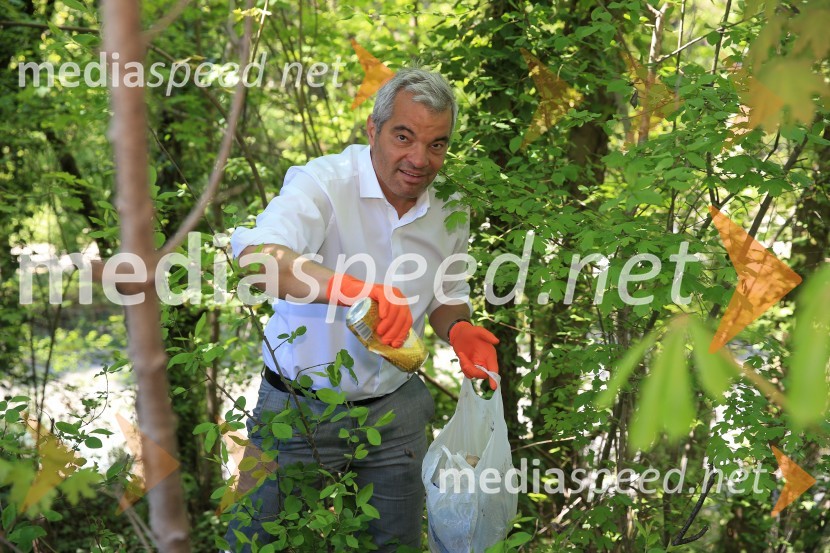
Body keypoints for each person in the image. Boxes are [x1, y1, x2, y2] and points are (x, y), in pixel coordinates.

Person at [224, 68, 500, 552]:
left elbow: (445, 292)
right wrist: (359, 290)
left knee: (395, 545)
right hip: (295, 409)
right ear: (372, 129)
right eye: (404, 136)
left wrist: (458, 329)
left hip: (397, 412)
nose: (419, 159)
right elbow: (258, 262)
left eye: (437, 144)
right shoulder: (324, 183)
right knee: (255, 543)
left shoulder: (451, 207)